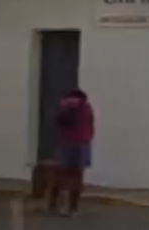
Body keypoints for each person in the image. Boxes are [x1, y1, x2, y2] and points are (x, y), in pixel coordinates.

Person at [49, 89, 94, 217]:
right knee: (78, 176)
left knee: (61, 175)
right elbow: (91, 126)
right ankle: (73, 208)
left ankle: (55, 205)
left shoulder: (65, 107)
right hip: (83, 143)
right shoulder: (87, 108)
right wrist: (87, 137)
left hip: (66, 143)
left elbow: (57, 123)